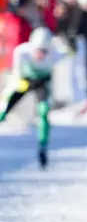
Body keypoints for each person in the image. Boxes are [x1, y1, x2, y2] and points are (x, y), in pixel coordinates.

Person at [0, 27, 71, 167]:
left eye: (44, 51)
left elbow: (70, 53)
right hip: (24, 81)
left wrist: (70, 45)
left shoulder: (55, 54)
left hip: (42, 83)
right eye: (38, 50)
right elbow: (16, 74)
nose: (40, 55)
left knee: (44, 112)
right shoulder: (22, 51)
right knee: (5, 107)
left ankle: (43, 147)